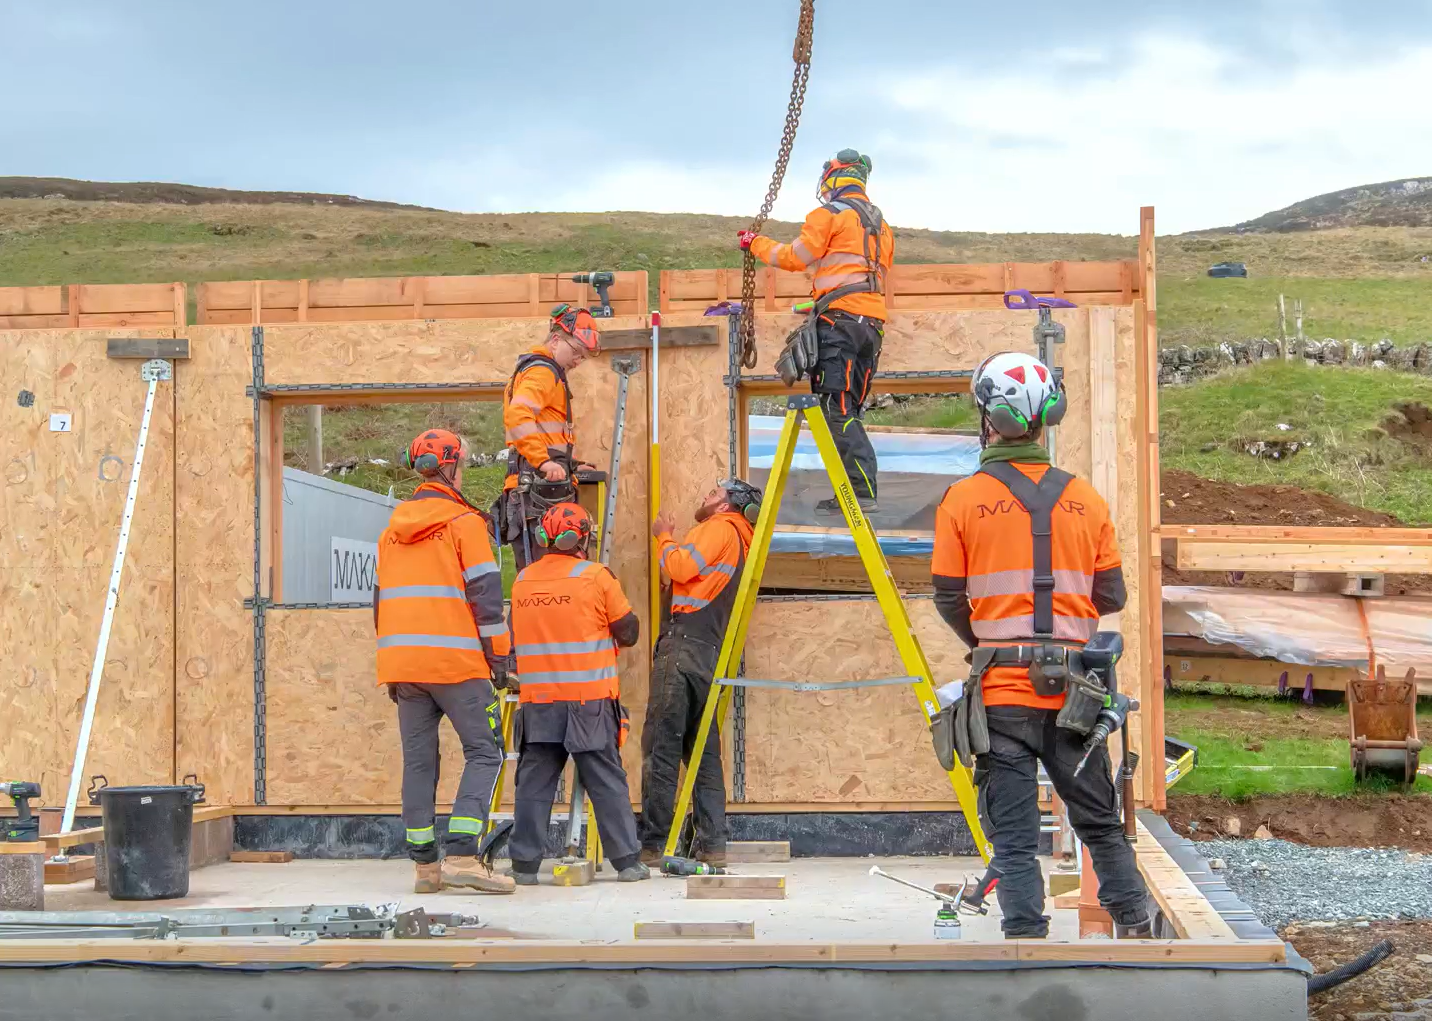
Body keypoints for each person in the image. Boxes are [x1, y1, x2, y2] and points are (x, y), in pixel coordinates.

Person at [930, 352, 1151, 939]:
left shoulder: (962, 499)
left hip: (1002, 694)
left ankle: (1025, 941)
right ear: (1047, 417)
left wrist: (991, 642)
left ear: (989, 419)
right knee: (1101, 824)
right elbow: (1112, 593)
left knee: (1015, 837)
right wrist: (1061, 623)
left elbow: (948, 597)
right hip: (1076, 693)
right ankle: (1138, 927)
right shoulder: (1087, 499)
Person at [374, 429, 516, 895]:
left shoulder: (391, 532)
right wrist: (499, 660)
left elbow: (381, 604)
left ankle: (425, 870)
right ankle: (462, 856)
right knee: (485, 751)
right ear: (452, 467)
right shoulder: (463, 523)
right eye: (466, 463)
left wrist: (395, 661)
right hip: (456, 662)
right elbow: (488, 602)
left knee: (419, 764)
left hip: (403, 665)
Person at [739, 149, 895, 515]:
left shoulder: (829, 215)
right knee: (848, 408)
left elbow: (796, 257)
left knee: (834, 409)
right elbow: (862, 275)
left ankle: (860, 492)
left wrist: (754, 243)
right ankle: (855, 490)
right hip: (870, 324)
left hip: (839, 325)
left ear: (834, 179)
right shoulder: (881, 227)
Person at [506, 502, 649, 884]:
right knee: (605, 780)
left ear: (543, 539)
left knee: (534, 785)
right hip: (588, 700)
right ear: (582, 537)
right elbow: (629, 632)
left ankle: (524, 867)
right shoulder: (596, 576)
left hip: (539, 702)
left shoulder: (523, 581)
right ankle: (627, 863)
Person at [638, 478, 761, 867]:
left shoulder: (717, 528)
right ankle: (713, 846)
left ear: (728, 506)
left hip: (684, 644)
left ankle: (654, 846)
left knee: (661, 747)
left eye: (714, 493)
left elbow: (680, 566)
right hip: (709, 651)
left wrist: (664, 537)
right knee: (704, 753)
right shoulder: (743, 541)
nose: (705, 496)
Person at [497, 303, 602, 570]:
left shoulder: (546, 372)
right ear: (556, 340)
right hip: (536, 490)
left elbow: (547, 431)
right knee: (545, 578)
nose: (579, 360)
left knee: (545, 576)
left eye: (584, 356)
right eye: (576, 351)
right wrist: (543, 462)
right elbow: (519, 414)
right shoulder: (543, 372)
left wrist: (571, 465)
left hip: (536, 487)